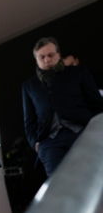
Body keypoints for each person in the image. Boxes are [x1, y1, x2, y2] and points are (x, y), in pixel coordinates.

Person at [22, 38, 103, 177]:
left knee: (91, 176)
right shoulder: (29, 85)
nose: (46, 60)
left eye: (50, 55)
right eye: (42, 57)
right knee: (58, 184)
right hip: (49, 142)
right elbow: (29, 120)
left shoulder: (77, 72)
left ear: (58, 54)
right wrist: (36, 144)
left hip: (81, 132)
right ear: (36, 59)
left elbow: (96, 103)